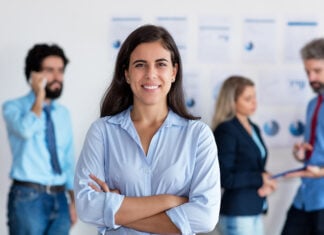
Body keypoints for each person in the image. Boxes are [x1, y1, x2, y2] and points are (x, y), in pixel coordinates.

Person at [73, 24, 220, 235]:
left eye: (161, 64)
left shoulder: (198, 135)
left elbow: (205, 218)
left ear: (173, 72)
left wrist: (116, 210)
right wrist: (169, 201)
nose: (151, 74)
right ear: (126, 73)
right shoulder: (102, 132)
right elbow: (87, 207)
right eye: (140, 65)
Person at [2, 43, 77, 235]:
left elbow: (66, 160)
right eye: (49, 70)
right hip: (28, 198)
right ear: (34, 75)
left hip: (60, 198)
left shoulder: (63, 113)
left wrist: (73, 201)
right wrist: (40, 98)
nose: (57, 77)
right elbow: (25, 130)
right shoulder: (13, 107)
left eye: (60, 71)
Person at [212, 76, 277, 235]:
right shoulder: (226, 130)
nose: (254, 102)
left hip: (255, 208)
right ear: (232, 102)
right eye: (248, 98)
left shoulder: (254, 127)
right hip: (237, 212)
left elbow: (254, 167)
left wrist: (265, 180)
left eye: (254, 96)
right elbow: (224, 178)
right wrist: (260, 177)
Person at [281, 38, 324, 235]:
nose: (311, 78)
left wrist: (321, 172)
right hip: (306, 195)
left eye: (317, 71)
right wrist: (300, 154)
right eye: (308, 72)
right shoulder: (312, 105)